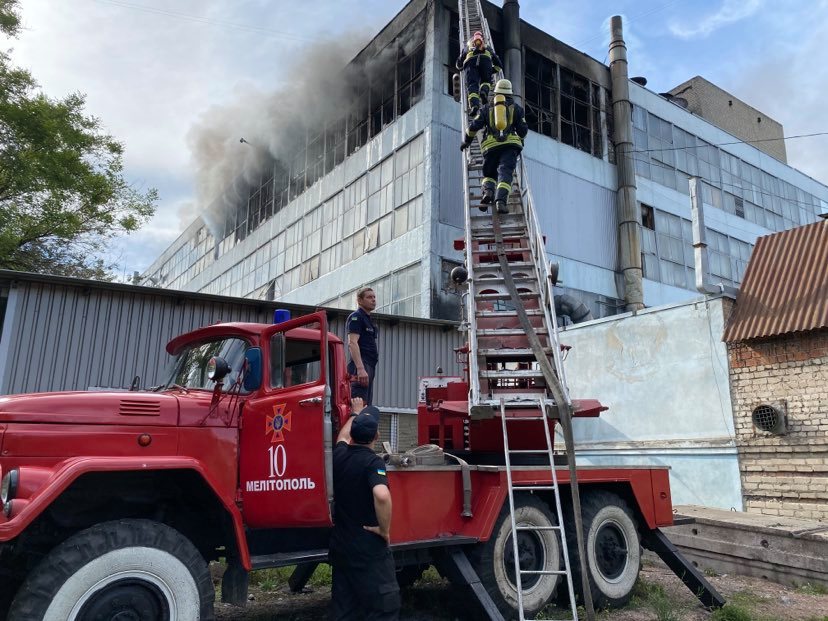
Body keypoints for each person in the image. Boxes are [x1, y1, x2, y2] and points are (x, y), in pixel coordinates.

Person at [329, 399, 399, 620]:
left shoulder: (338, 455)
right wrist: (384, 529)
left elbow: (341, 436)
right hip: (368, 551)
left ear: (352, 436)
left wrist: (354, 413)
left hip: (342, 547)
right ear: (376, 437)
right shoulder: (372, 463)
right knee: (383, 608)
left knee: (344, 608)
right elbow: (381, 494)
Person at [460, 78, 528, 215]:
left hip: (490, 147)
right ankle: (500, 202)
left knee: (489, 173)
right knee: (505, 172)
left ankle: (488, 192)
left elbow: (474, 126)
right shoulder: (517, 109)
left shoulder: (486, 108)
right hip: (510, 146)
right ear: (510, 94)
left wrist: (466, 141)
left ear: (496, 92)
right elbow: (523, 131)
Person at [455, 30, 502, 118]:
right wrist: (491, 70)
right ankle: (484, 92)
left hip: (470, 64)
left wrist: (461, 67)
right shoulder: (487, 47)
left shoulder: (467, 47)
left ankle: (474, 106)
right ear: (482, 38)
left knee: (472, 85)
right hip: (485, 62)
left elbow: (459, 61)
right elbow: (498, 63)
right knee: (486, 81)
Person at [347, 287, 379, 405]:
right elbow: (352, 343)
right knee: (358, 405)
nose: (373, 300)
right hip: (361, 365)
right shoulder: (356, 317)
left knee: (366, 405)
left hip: (369, 366)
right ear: (360, 301)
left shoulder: (368, 319)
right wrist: (360, 369)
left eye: (374, 297)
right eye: (369, 297)